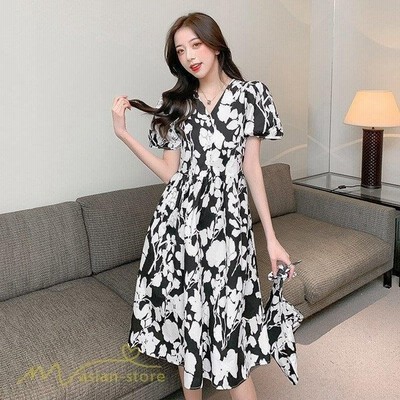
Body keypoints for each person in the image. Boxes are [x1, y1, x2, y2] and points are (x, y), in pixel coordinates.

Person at [112, 12, 296, 400]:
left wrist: (272, 239)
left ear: (215, 44)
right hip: (177, 229)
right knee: (188, 331)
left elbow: (251, 168)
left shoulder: (251, 96)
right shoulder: (177, 104)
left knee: (232, 337)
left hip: (229, 231)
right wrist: (124, 135)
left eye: (195, 44)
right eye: (181, 51)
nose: (190, 56)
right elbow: (170, 173)